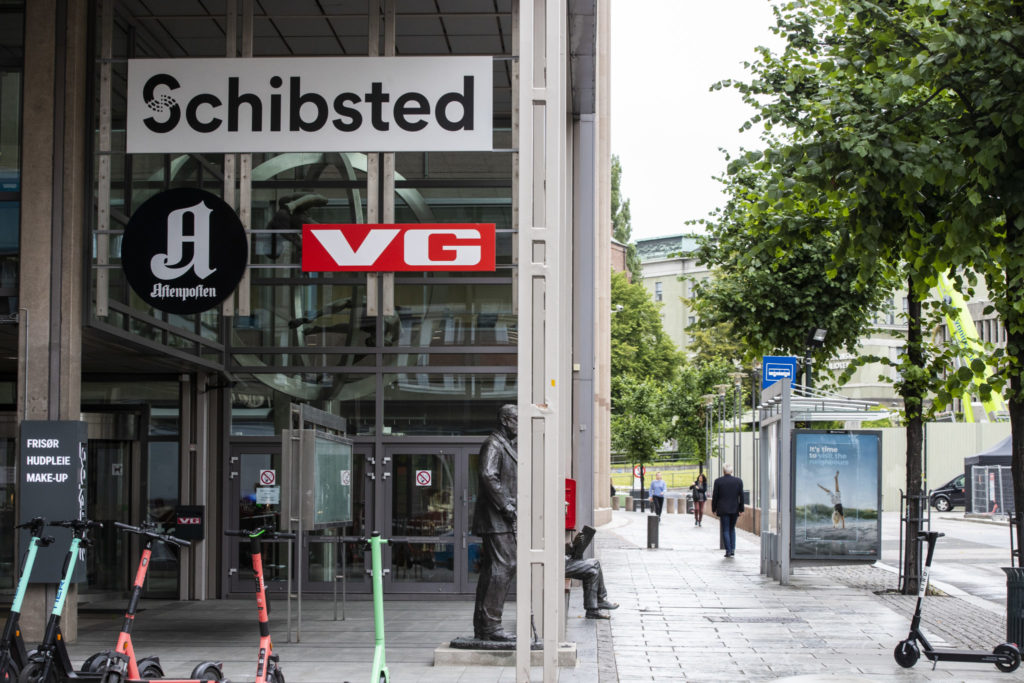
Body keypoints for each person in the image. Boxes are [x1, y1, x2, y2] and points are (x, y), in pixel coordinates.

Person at [471, 404, 519, 642]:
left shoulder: (506, 445)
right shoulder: (494, 444)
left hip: (499, 519)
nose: (520, 426)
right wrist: (506, 505)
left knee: (494, 569)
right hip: (496, 518)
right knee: (505, 565)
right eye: (517, 420)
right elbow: (488, 475)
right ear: (506, 420)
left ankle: (484, 626)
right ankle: (491, 626)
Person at [565, 530, 619, 619]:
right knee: (593, 567)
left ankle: (596, 605)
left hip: (563, 561)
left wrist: (574, 546)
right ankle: (597, 603)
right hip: (559, 564)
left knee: (594, 565)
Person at [711, 463, 744, 557]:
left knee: (725, 529)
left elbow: (715, 496)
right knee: (732, 529)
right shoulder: (738, 481)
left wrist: (714, 508)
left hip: (723, 509)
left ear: (723, 471)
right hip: (734, 508)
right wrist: (741, 509)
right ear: (732, 471)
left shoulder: (718, 481)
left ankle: (728, 550)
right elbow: (741, 496)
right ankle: (732, 549)